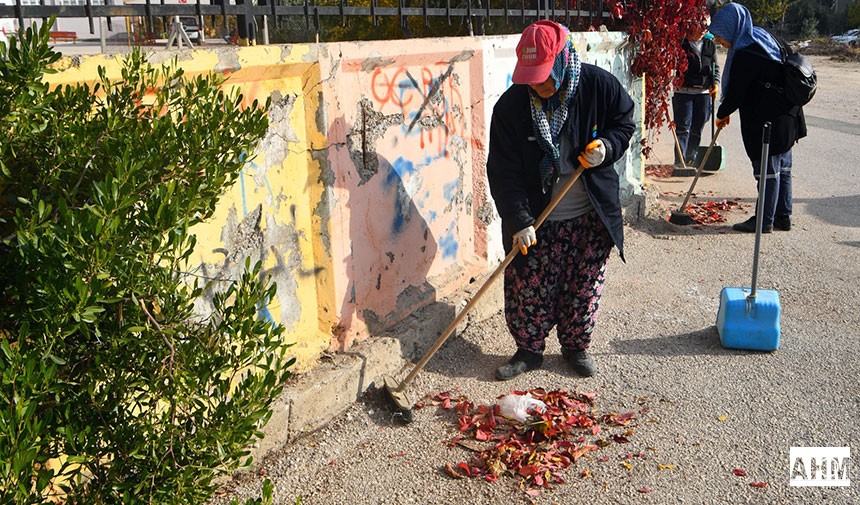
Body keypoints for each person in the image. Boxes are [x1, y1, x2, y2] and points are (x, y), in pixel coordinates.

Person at [486, 20, 635, 380]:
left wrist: (607, 147)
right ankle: (528, 350)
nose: (538, 86)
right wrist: (519, 219)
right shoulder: (511, 107)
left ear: (561, 62)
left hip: (590, 212)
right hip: (539, 217)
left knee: (582, 287)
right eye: (531, 78)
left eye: (544, 77)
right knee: (529, 287)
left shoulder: (599, 86)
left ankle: (575, 347)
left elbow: (624, 122)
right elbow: (503, 170)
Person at [710, 3, 806, 233]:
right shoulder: (766, 38)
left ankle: (764, 221)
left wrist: (722, 113)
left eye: (721, 35)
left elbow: (737, 92)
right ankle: (783, 216)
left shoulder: (747, 52)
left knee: (767, 171)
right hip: (789, 114)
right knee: (782, 166)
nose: (719, 41)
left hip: (768, 120)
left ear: (733, 28)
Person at [673, 15, 720, 168]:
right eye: (700, 26)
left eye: (705, 27)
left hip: (704, 93)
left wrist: (716, 83)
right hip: (683, 91)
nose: (702, 30)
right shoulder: (681, 43)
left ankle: (690, 157)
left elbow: (715, 67)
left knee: (698, 127)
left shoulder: (709, 44)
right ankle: (679, 160)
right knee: (683, 127)